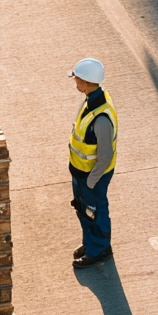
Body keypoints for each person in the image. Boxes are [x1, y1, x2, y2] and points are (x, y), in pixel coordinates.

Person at [68, 57, 117, 268]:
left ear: (86, 83)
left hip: (92, 177)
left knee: (94, 212)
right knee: (84, 210)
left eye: (77, 79)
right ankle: (90, 243)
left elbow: (105, 156)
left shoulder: (101, 119)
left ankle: (99, 250)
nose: (75, 81)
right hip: (81, 172)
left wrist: (91, 182)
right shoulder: (91, 99)